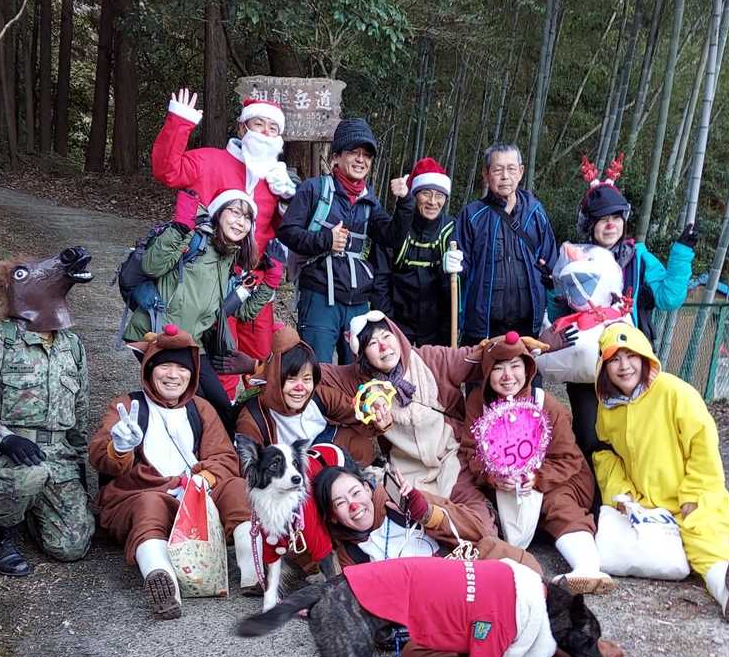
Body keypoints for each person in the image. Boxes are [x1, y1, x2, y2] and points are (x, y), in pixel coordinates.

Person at [312, 465, 684, 657]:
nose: (353, 505)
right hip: (447, 617)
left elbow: (476, 527)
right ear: (333, 516)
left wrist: (428, 513)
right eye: (341, 503)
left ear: (368, 487)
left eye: (355, 492)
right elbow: (368, 625)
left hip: (482, 575)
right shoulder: (353, 559)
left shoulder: (402, 502)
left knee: (533, 620)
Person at [0, 247, 95, 577]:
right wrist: (4, 439)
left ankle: (31, 509)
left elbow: (80, 407)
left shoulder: (71, 346)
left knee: (72, 547)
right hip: (11, 452)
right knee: (29, 475)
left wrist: (78, 459)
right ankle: (1, 536)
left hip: (58, 453)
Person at [593, 323, 729, 625]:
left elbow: (703, 445)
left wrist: (693, 493)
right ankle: (724, 582)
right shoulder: (608, 407)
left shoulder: (674, 391)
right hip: (644, 500)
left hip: (689, 495)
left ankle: (728, 587)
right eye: (614, 359)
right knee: (637, 545)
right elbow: (605, 453)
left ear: (645, 357)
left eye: (631, 356)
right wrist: (620, 492)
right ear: (603, 367)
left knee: (701, 535)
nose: (624, 366)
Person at [89, 326, 254, 616]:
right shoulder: (126, 405)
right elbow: (100, 457)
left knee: (238, 489)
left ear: (192, 373)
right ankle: (161, 578)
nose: (173, 375)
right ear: (149, 369)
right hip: (146, 493)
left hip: (198, 494)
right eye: (165, 366)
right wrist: (120, 447)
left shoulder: (200, 408)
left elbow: (224, 456)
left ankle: (254, 567)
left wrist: (203, 480)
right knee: (148, 505)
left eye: (182, 368)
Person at [556, 155, 697, 457]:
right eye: (602, 219)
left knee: (632, 439)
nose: (611, 225)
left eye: (616, 218)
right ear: (590, 225)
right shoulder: (574, 257)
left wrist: (682, 253)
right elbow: (557, 308)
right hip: (588, 362)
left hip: (629, 362)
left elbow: (669, 297)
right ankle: (592, 488)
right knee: (590, 437)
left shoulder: (638, 257)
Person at [150, 89, 293, 376]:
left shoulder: (279, 181)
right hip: (208, 282)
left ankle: (255, 407)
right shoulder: (210, 161)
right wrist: (180, 122)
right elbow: (167, 170)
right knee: (219, 360)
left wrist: (289, 202)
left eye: (273, 128)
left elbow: (287, 234)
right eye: (259, 124)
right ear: (242, 128)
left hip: (255, 282)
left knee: (259, 361)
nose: (266, 132)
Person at [460, 331, 614, 594]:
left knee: (559, 505)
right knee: (481, 507)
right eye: (498, 368)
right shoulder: (478, 403)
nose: (508, 376)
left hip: (555, 478)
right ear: (487, 372)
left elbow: (567, 458)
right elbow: (471, 452)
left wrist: (537, 477)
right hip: (503, 484)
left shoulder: (545, 404)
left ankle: (587, 567)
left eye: (515, 366)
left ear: (528, 369)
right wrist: (493, 477)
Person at [318, 312, 494, 529]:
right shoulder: (357, 381)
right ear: (362, 353)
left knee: (478, 521)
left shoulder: (430, 359)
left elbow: (480, 357)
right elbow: (313, 373)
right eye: (372, 343)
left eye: (386, 336)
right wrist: (363, 411)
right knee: (420, 523)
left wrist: (512, 348)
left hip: (451, 457)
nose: (383, 347)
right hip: (406, 472)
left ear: (398, 336)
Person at [123, 191, 273, 429]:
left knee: (222, 408)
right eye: (235, 212)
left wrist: (271, 282)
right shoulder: (194, 239)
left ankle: (221, 448)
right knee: (191, 406)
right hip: (158, 335)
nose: (240, 222)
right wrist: (180, 228)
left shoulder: (229, 257)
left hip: (193, 342)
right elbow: (152, 266)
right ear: (218, 213)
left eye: (247, 218)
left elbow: (242, 312)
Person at [278, 118, 404, 362]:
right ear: (336, 156)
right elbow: (287, 232)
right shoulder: (314, 189)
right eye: (354, 152)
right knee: (318, 370)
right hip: (319, 297)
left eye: (366, 155)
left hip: (358, 302)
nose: (361, 160)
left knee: (357, 373)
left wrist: (405, 203)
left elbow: (392, 237)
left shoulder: (369, 201)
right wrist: (326, 239)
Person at [452, 143, 561, 344]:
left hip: (529, 327)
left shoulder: (535, 212)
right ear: (485, 174)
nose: (505, 176)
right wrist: (452, 266)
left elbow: (551, 264)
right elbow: (459, 272)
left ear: (521, 172)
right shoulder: (472, 215)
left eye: (511, 169)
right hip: (483, 329)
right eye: (497, 170)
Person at [233, 325, 376, 468]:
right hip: (288, 472)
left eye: (307, 379)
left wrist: (377, 415)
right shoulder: (252, 419)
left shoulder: (318, 395)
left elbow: (353, 411)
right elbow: (250, 469)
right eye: (291, 379)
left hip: (325, 448)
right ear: (274, 381)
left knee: (360, 445)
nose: (300, 388)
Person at [373, 157, 455, 345]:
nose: (433, 202)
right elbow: (380, 281)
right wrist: (388, 326)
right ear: (414, 194)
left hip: (437, 328)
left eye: (439, 195)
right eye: (426, 193)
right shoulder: (394, 229)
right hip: (397, 324)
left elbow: (458, 285)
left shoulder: (452, 230)